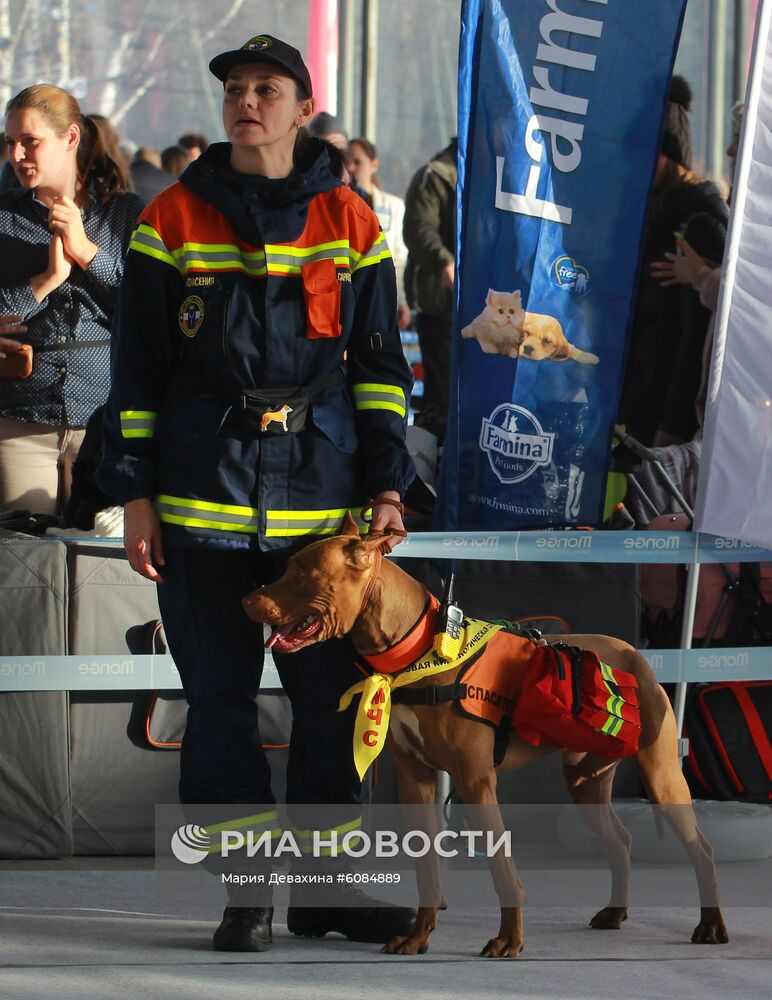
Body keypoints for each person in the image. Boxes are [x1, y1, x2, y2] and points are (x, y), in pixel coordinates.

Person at [98, 33, 416, 953]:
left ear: (301, 107)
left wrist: (387, 484)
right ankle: (246, 896)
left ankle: (324, 895)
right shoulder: (175, 216)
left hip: (321, 522)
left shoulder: (353, 222)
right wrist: (140, 497)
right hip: (202, 507)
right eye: (236, 88)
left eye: (266, 88)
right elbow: (139, 373)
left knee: (334, 707)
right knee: (223, 713)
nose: (247, 101)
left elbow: (381, 369)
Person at [0, 84, 143, 515]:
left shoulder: (124, 214)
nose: (18, 155)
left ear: (71, 138)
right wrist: (44, 281)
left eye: (30, 141)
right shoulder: (5, 216)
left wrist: (86, 252)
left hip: (104, 415)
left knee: (101, 565)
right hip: (21, 417)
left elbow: (148, 310)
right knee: (22, 560)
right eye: (11, 143)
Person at [617, 76, 728, 447]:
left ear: (672, 153)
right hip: (636, 403)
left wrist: (675, 426)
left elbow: (697, 342)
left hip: (664, 419)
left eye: (648, 152)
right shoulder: (648, 216)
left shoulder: (696, 224)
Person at [650, 101, 744, 434]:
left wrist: (704, 277)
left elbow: (683, 338)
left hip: (693, 417)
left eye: (740, 138)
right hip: (686, 412)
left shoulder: (701, 222)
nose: (731, 151)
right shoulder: (709, 217)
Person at [403, 137, 457, 442]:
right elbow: (417, 228)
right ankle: (431, 469)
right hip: (441, 306)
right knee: (442, 399)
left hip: (485, 311)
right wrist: (443, 263)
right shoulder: (435, 175)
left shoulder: (497, 173)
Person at [349, 137, 411, 329]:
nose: (352, 168)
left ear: (374, 165)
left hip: (381, 292)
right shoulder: (341, 204)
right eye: (347, 161)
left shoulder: (393, 206)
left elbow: (399, 258)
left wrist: (402, 301)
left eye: (358, 162)